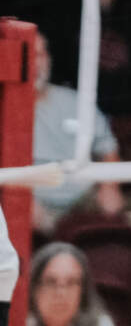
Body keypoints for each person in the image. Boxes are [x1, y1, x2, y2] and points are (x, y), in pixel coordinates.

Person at [28, 29, 122, 231]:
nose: (37, 62)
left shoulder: (74, 101)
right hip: (35, 204)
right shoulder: (6, 107)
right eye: (30, 54)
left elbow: (108, 147)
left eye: (42, 54)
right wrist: (17, 201)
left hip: (84, 199)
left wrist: (109, 187)